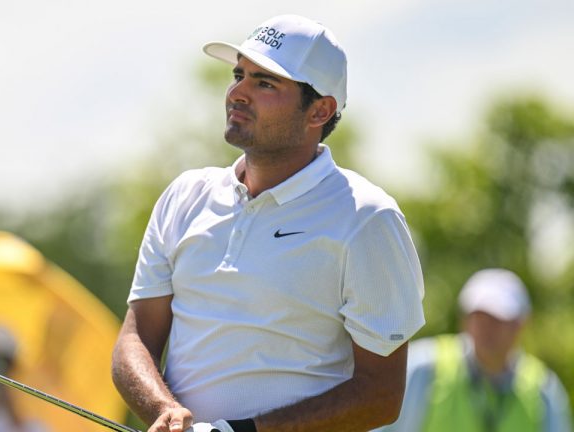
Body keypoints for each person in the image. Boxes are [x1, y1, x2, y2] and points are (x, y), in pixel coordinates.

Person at [111, 14, 425, 432]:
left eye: (265, 83)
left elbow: (381, 395)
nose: (237, 92)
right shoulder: (184, 196)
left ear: (320, 110)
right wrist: (165, 413)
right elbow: (134, 340)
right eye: (239, 74)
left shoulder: (367, 218)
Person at [377, 268, 572, 432]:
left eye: (497, 320)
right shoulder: (423, 366)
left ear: (519, 326)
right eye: (478, 317)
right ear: (465, 320)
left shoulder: (543, 390)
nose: (485, 328)